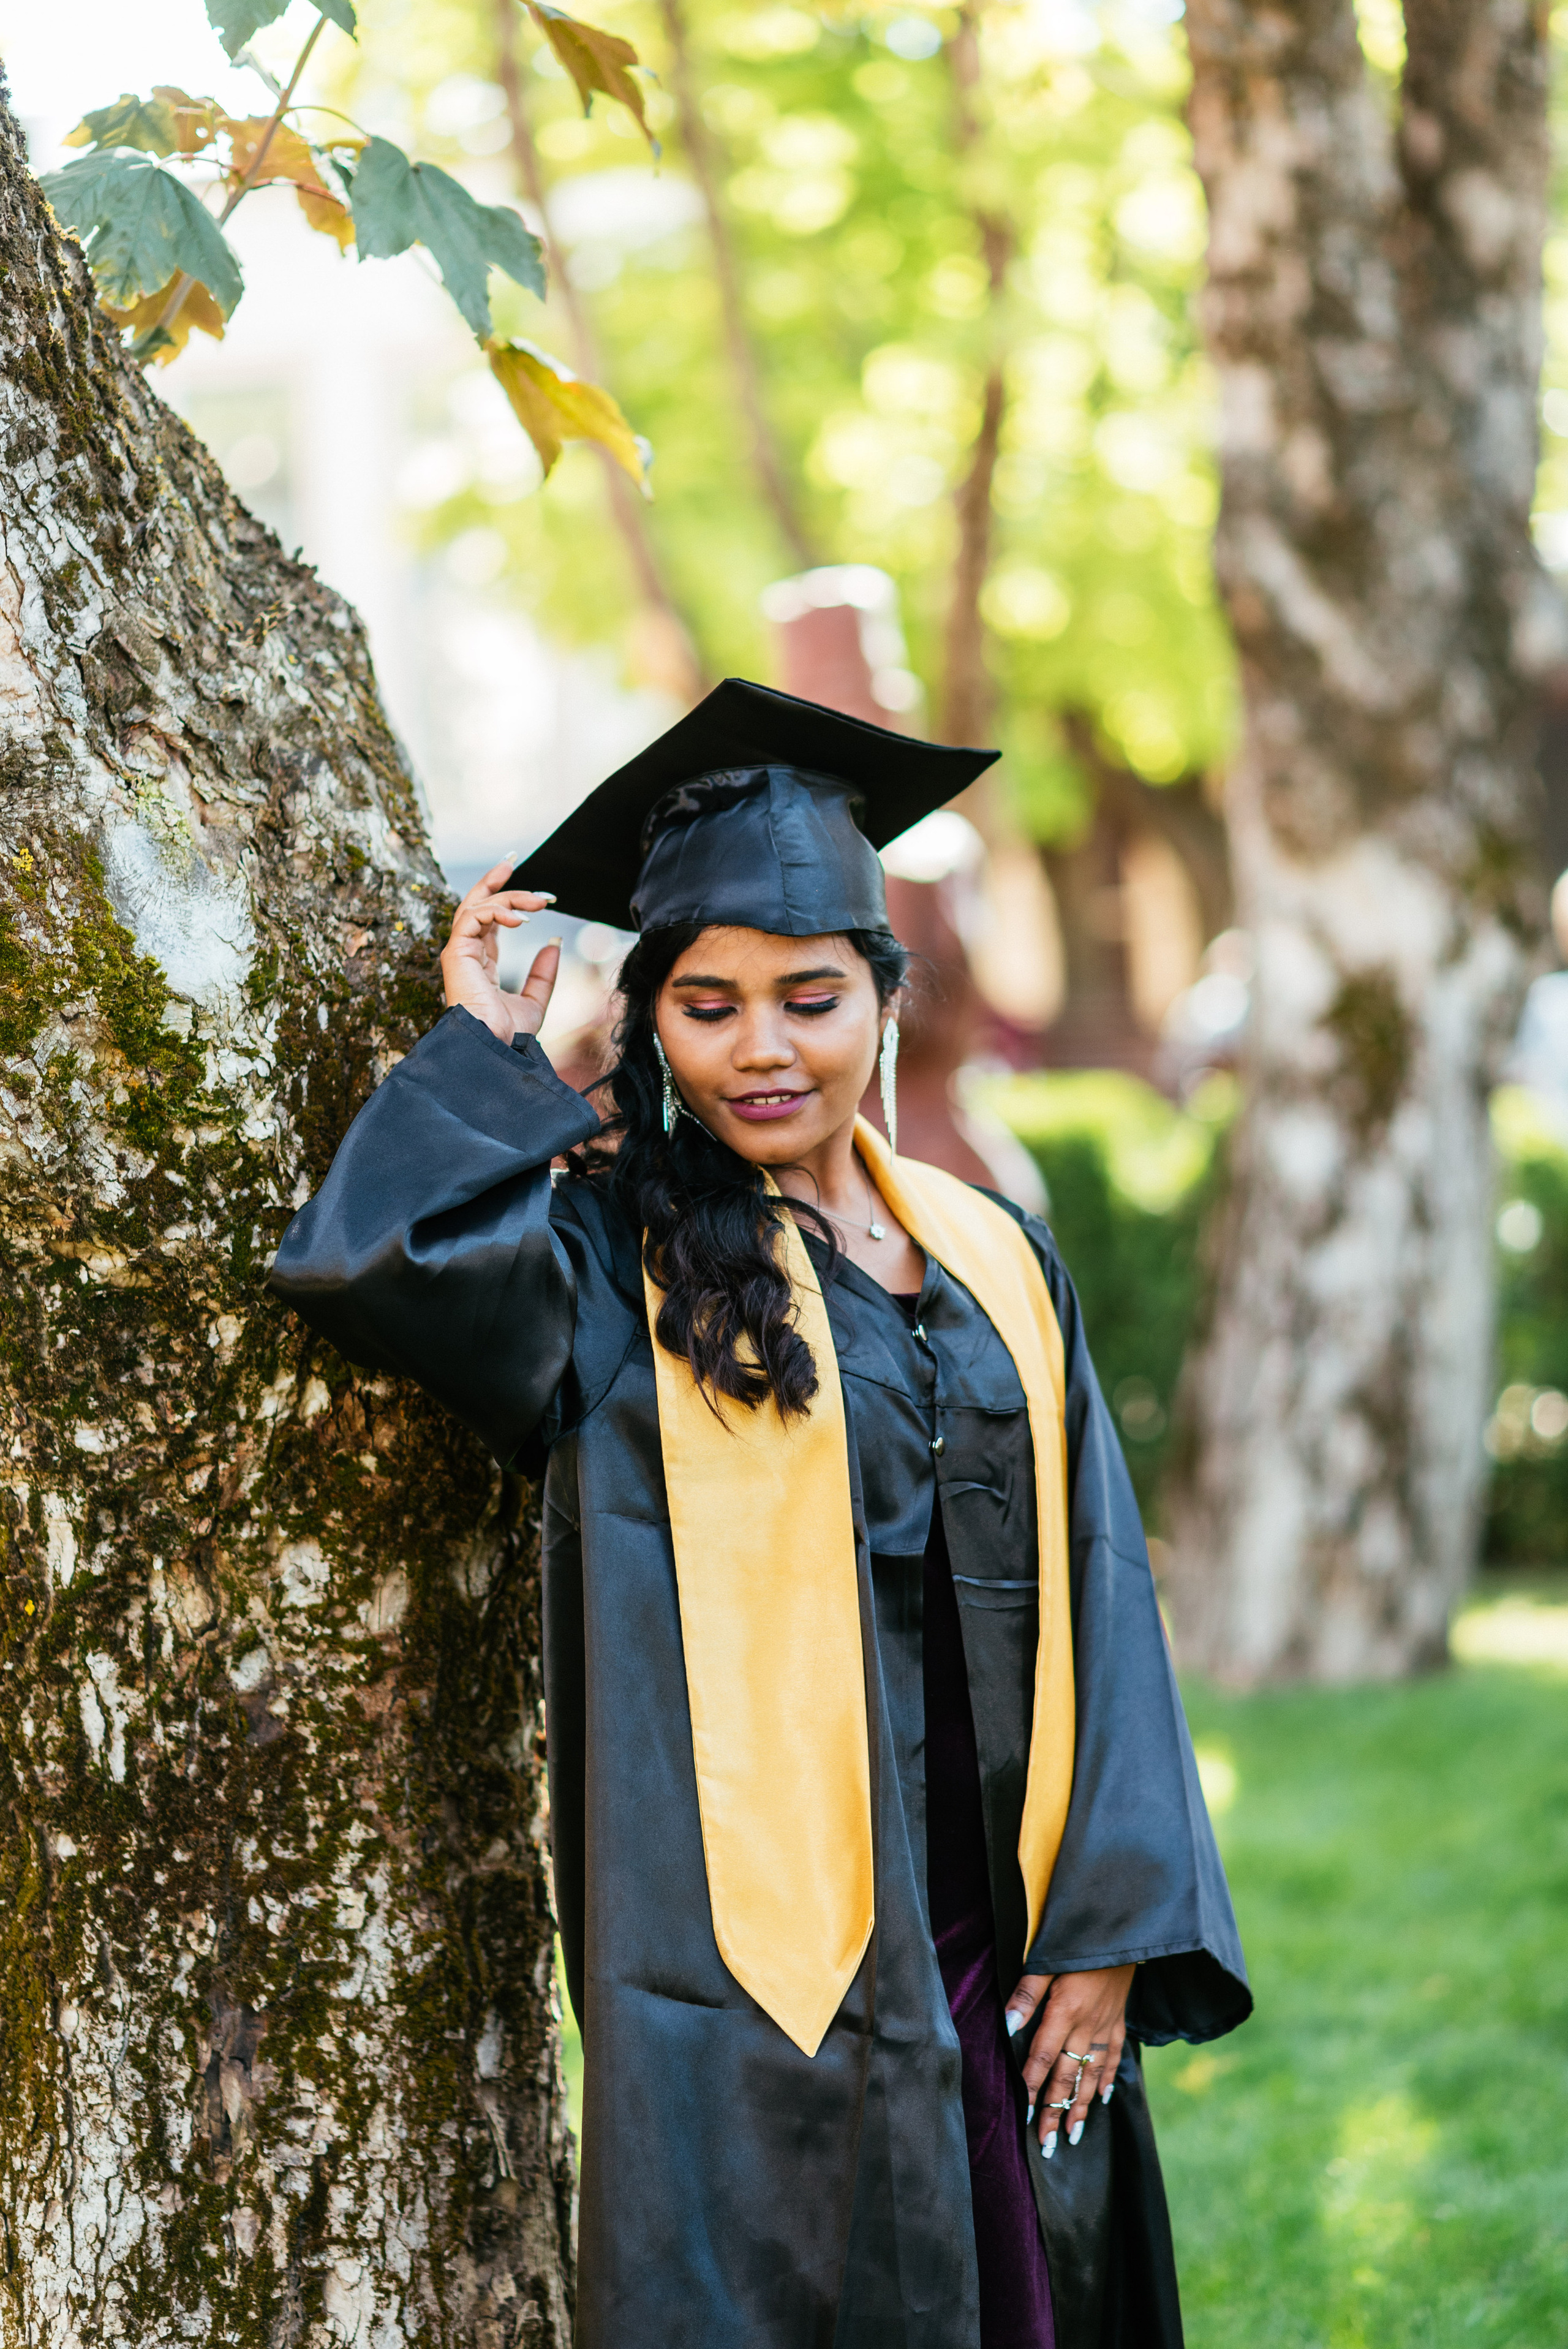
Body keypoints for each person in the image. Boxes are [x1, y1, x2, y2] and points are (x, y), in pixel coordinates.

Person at [271, 679, 1249, 2349]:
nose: (764, 1048)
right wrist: (494, 1048)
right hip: (753, 1969)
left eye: (810, 995)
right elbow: (386, 1262)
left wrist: (1114, 1925)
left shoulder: (994, 1251)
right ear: (652, 1022)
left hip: (996, 1928)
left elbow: (1101, 1581)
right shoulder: (612, 1260)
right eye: (707, 1005)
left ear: (884, 991)